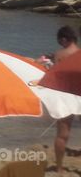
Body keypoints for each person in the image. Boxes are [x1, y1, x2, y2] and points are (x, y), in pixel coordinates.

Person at [55, 26, 80, 175]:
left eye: (60, 41)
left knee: (62, 135)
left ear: (64, 39)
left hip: (65, 96)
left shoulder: (59, 54)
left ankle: (59, 168)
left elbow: (55, 77)